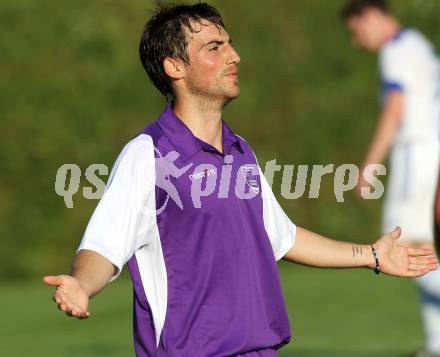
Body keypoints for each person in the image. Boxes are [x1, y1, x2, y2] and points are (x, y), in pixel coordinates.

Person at [44, 3, 438, 356]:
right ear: (174, 66)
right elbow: (104, 246)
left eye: (229, 43)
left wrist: (371, 255)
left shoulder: (240, 151)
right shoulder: (148, 155)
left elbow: (283, 236)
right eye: (214, 48)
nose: (234, 55)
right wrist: (82, 285)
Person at [341, 0, 440, 356]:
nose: (357, 40)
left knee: (404, 248)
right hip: (432, 150)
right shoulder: (419, 44)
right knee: (423, 250)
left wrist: (369, 167)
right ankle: (436, 342)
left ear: (370, 16)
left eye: (356, 31)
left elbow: (395, 111)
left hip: (417, 154)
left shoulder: (396, 51)